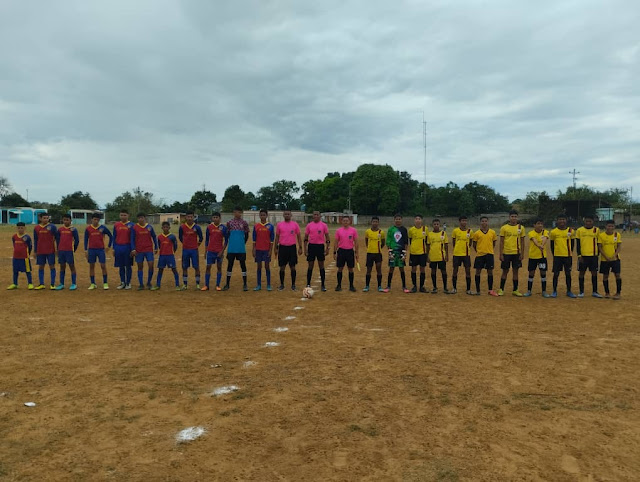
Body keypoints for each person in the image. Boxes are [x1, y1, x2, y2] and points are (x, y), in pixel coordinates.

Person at [498, 210, 525, 297]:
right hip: (506, 253)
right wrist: (501, 254)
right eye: (512, 216)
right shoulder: (504, 228)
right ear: (509, 217)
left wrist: (522, 253)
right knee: (505, 271)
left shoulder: (521, 228)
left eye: (515, 216)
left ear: (517, 217)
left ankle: (515, 290)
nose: (514, 218)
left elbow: (522, 241)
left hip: (516, 253)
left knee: (515, 271)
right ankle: (501, 289)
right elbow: (501, 242)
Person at [549, 214, 577, 298]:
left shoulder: (570, 231)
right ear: (557, 221)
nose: (562, 221)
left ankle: (569, 291)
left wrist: (569, 253)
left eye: (563, 219)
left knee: (568, 273)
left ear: (566, 220)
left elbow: (572, 244)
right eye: (560, 219)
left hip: (568, 256)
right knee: (556, 274)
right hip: (557, 256)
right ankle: (554, 291)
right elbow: (552, 245)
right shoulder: (554, 232)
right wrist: (555, 255)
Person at [274, 209, 303, 291]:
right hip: (282, 248)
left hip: (292, 248)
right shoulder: (279, 225)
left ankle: (293, 285)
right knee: (282, 267)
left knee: (293, 267)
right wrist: (276, 248)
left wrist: (300, 247)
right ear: (283, 215)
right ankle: (282, 284)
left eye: (288, 214)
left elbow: (299, 236)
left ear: (291, 215)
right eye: (285, 214)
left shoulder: (295, 225)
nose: (287, 215)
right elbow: (277, 237)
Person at [223, 207, 250, 291]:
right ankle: (227, 284)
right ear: (233, 213)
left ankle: (245, 284)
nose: (237, 214)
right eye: (235, 212)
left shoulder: (244, 223)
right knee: (230, 265)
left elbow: (246, 235)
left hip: (241, 248)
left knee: (243, 265)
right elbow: (227, 235)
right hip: (231, 248)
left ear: (241, 213)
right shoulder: (229, 223)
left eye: (238, 212)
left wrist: (242, 243)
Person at [576, 215, 603, 298]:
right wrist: (579, 255)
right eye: (586, 221)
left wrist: (597, 254)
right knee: (581, 273)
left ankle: (594, 291)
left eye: (590, 221)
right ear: (584, 221)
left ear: (593, 221)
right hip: (583, 256)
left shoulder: (597, 230)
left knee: (594, 273)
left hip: (593, 256)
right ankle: (581, 291)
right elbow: (578, 244)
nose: (588, 223)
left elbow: (599, 244)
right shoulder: (579, 230)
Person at [84, 213, 113, 290]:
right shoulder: (88, 229)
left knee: (103, 266)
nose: (96, 221)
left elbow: (111, 236)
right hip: (91, 250)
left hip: (100, 250)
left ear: (99, 220)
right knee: (91, 266)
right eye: (94, 219)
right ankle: (93, 283)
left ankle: (105, 283)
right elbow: (86, 239)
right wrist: (85, 250)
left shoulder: (102, 228)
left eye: (97, 220)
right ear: (91, 220)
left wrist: (109, 246)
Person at [471, 216, 498, 296]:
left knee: (490, 272)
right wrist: (479, 251)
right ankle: (478, 290)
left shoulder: (492, 232)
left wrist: (488, 250)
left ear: (488, 222)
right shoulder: (477, 233)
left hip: (489, 255)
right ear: (480, 222)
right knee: (478, 272)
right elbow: (474, 245)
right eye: (482, 221)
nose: (484, 223)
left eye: (485, 221)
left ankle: (490, 290)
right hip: (480, 255)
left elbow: (493, 243)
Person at [131, 213, 158, 290]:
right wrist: (133, 249)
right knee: (140, 266)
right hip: (139, 250)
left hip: (148, 249)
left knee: (151, 265)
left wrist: (156, 247)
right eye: (139, 218)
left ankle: (149, 282)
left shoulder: (149, 227)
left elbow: (154, 237)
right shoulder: (134, 227)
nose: (140, 219)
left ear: (144, 218)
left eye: (142, 218)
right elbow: (132, 239)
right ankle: (141, 284)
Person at [304, 210, 330, 291]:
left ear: (320, 216)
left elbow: (327, 237)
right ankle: (308, 283)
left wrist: (327, 248)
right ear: (312, 216)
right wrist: (305, 249)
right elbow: (305, 238)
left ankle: (323, 284)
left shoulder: (324, 225)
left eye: (317, 215)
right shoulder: (309, 225)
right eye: (314, 215)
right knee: (310, 265)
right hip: (311, 246)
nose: (315, 216)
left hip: (320, 246)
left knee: (321, 265)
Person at [151, 222, 181, 291]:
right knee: (160, 270)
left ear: (169, 228)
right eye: (164, 227)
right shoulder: (159, 237)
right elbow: (159, 245)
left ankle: (177, 285)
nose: (165, 228)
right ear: (162, 228)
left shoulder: (172, 236)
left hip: (170, 255)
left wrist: (172, 252)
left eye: (167, 227)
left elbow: (175, 246)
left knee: (174, 269)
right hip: (162, 256)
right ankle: (158, 285)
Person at [384, 214, 409, 293]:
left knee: (401, 268)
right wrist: (389, 251)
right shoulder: (391, 229)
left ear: (401, 220)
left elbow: (406, 242)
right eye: (396, 219)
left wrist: (405, 253)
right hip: (393, 251)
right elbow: (388, 241)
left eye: (399, 219)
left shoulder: (404, 229)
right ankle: (388, 286)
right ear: (394, 220)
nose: (398, 220)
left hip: (401, 251)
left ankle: (404, 286)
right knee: (391, 268)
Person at [202, 212, 228, 291]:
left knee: (219, 267)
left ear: (220, 218)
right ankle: (206, 285)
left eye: (217, 217)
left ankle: (218, 285)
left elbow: (226, 240)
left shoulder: (223, 228)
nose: (215, 219)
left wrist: (222, 251)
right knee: (208, 267)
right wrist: (205, 251)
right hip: (210, 251)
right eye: (214, 217)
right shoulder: (209, 227)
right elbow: (207, 240)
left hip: (219, 251)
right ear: (212, 218)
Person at [524, 219, 550, 297]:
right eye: (538, 223)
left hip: (542, 257)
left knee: (543, 273)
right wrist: (539, 246)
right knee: (531, 273)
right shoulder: (531, 233)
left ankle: (544, 291)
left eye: (541, 223)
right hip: (533, 257)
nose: (540, 225)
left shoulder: (545, 232)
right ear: (534, 225)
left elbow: (545, 239)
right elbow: (534, 240)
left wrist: (542, 245)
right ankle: (529, 291)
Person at [179, 211, 203, 290]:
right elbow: (180, 237)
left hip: (194, 250)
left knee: (196, 267)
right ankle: (185, 285)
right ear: (186, 217)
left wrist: (197, 245)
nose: (189, 218)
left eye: (191, 217)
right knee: (184, 267)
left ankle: (197, 284)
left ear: (193, 217)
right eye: (188, 217)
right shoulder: (182, 227)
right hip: (185, 250)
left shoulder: (197, 227)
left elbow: (201, 237)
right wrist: (185, 243)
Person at [598, 220, 622, 299]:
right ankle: (607, 293)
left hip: (615, 259)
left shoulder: (617, 235)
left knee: (617, 275)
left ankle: (618, 293)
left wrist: (614, 255)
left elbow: (618, 246)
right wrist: (606, 257)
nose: (610, 228)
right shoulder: (601, 235)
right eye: (609, 226)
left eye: (612, 226)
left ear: (614, 227)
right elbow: (600, 247)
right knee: (605, 276)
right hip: (605, 259)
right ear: (605, 226)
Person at [333, 216, 359, 292]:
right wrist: (334, 252)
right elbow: (336, 242)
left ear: (349, 221)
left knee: (350, 268)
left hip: (350, 251)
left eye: (347, 221)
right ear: (341, 222)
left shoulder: (353, 230)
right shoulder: (338, 231)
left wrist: (357, 252)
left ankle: (351, 286)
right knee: (340, 268)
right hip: (341, 251)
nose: (345, 222)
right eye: (344, 221)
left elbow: (356, 242)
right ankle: (339, 285)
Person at [55, 214, 80, 290]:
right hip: (61, 251)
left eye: (67, 220)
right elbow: (58, 240)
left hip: (69, 251)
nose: (65, 221)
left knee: (71, 266)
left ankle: (73, 283)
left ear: (70, 220)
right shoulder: (60, 229)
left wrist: (73, 249)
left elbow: (77, 240)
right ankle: (61, 283)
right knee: (62, 267)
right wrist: (58, 249)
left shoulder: (73, 229)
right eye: (64, 220)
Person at [33, 212, 58, 290]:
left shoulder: (53, 227)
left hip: (50, 250)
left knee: (52, 266)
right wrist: (35, 251)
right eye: (44, 218)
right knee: (41, 266)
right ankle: (41, 284)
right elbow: (35, 240)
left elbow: (57, 238)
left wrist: (57, 249)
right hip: (40, 250)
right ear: (40, 218)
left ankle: (52, 284)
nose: (46, 219)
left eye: (47, 218)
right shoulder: (36, 228)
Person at [252, 209, 275, 291]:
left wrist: (270, 250)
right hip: (258, 249)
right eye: (261, 215)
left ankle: (268, 285)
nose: (262, 216)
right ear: (259, 216)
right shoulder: (256, 226)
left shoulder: (270, 226)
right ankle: (258, 285)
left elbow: (272, 240)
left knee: (267, 266)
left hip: (266, 249)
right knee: (259, 266)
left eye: (264, 215)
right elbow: (254, 239)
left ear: (266, 215)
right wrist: (253, 249)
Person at [426, 218, 450, 294]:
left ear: (440, 225)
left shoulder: (443, 233)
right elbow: (428, 246)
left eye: (437, 224)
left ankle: (445, 287)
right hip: (433, 256)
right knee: (433, 271)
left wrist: (447, 255)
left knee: (443, 271)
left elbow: (446, 245)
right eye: (434, 224)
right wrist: (427, 256)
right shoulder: (429, 234)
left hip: (441, 256)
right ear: (432, 225)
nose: (436, 225)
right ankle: (434, 287)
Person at [7, 222, 34, 290]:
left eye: (22, 228)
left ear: (25, 228)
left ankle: (30, 283)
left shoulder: (27, 237)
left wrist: (27, 254)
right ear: (16, 228)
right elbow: (14, 245)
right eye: (19, 228)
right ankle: (15, 284)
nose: (20, 229)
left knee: (27, 271)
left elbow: (30, 246)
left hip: (25, 257)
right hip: (16, 257)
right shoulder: (14, 237)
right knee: (15, 271)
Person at [451, 216, 473, 295]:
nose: (464, 222)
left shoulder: (470, 231)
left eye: (465, 221)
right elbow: (454, 242)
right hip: (457, 254)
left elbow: (470, 242)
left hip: (466, 254)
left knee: (468, 271)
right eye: (462, 221)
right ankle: (454, 288)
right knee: (455, 271)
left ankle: (468, 289)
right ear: (459, 222)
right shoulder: (455, 231)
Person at [113, 209, 134, 290]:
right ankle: (122, 282)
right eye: (121, 215)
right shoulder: (116, 225)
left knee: (128, 266)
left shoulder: (132, 225)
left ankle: (128, 282)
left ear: (128, 215)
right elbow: (114, 237)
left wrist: (133, 249)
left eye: (125, 215)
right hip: (118, 247)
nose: (123, 216)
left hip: (127, 247)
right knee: (121, 266)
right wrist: (114, 248)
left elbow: (132, 238)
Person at [363, 216, 385, 292]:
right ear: (371, 222)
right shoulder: (367, 231)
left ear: (378, 223)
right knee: (369, 269)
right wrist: (369, 247)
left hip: (378, 253)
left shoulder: (381, 232)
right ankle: (367, 286)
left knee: (378, 268)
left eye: (376, 222)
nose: (375, 223)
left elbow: (383, 243)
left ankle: (379, 286)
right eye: (373, 222)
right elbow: (366, 241)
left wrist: (378, 248)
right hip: (369, 253)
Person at [407, 215, 428, 293]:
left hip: (422, 252)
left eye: (419, 219)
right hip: (413, 253)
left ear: (421, 220)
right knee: (413, 269)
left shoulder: (425, 229)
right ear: (414, 220)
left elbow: (426, 241)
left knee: (422, 269)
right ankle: (414, 286)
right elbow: (410, 240)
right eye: (416, 219)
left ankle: (422, 286)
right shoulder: (411, 230)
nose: (418, 220)